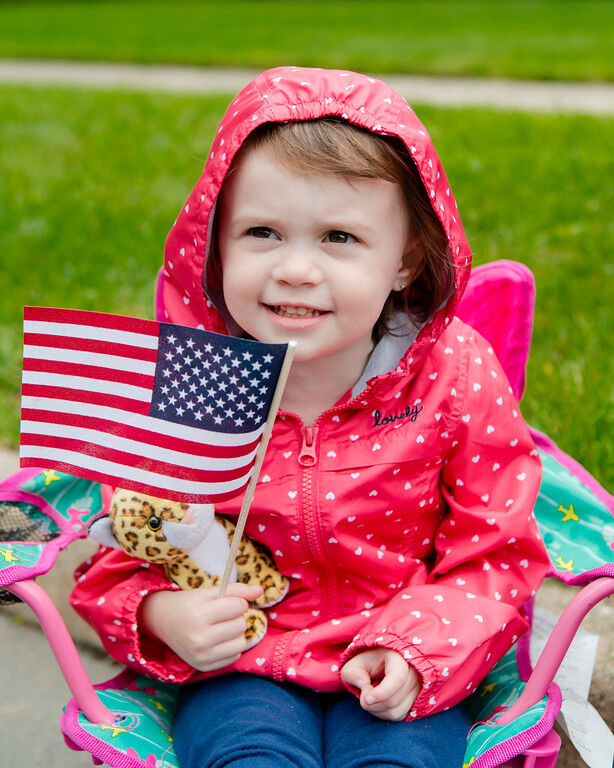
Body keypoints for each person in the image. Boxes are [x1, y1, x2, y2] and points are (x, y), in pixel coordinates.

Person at [71, 66, 550, 768]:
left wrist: (416, 648)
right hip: (241, 663)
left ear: (406, 260)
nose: (296, 269)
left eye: (339, 237)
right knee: (250, 756)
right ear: (214, 242)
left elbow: (496, 552)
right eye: (262, 231)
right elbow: (125, 547)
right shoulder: (192, 384)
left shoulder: (454, 374)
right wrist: (161, 615)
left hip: (402, 654)